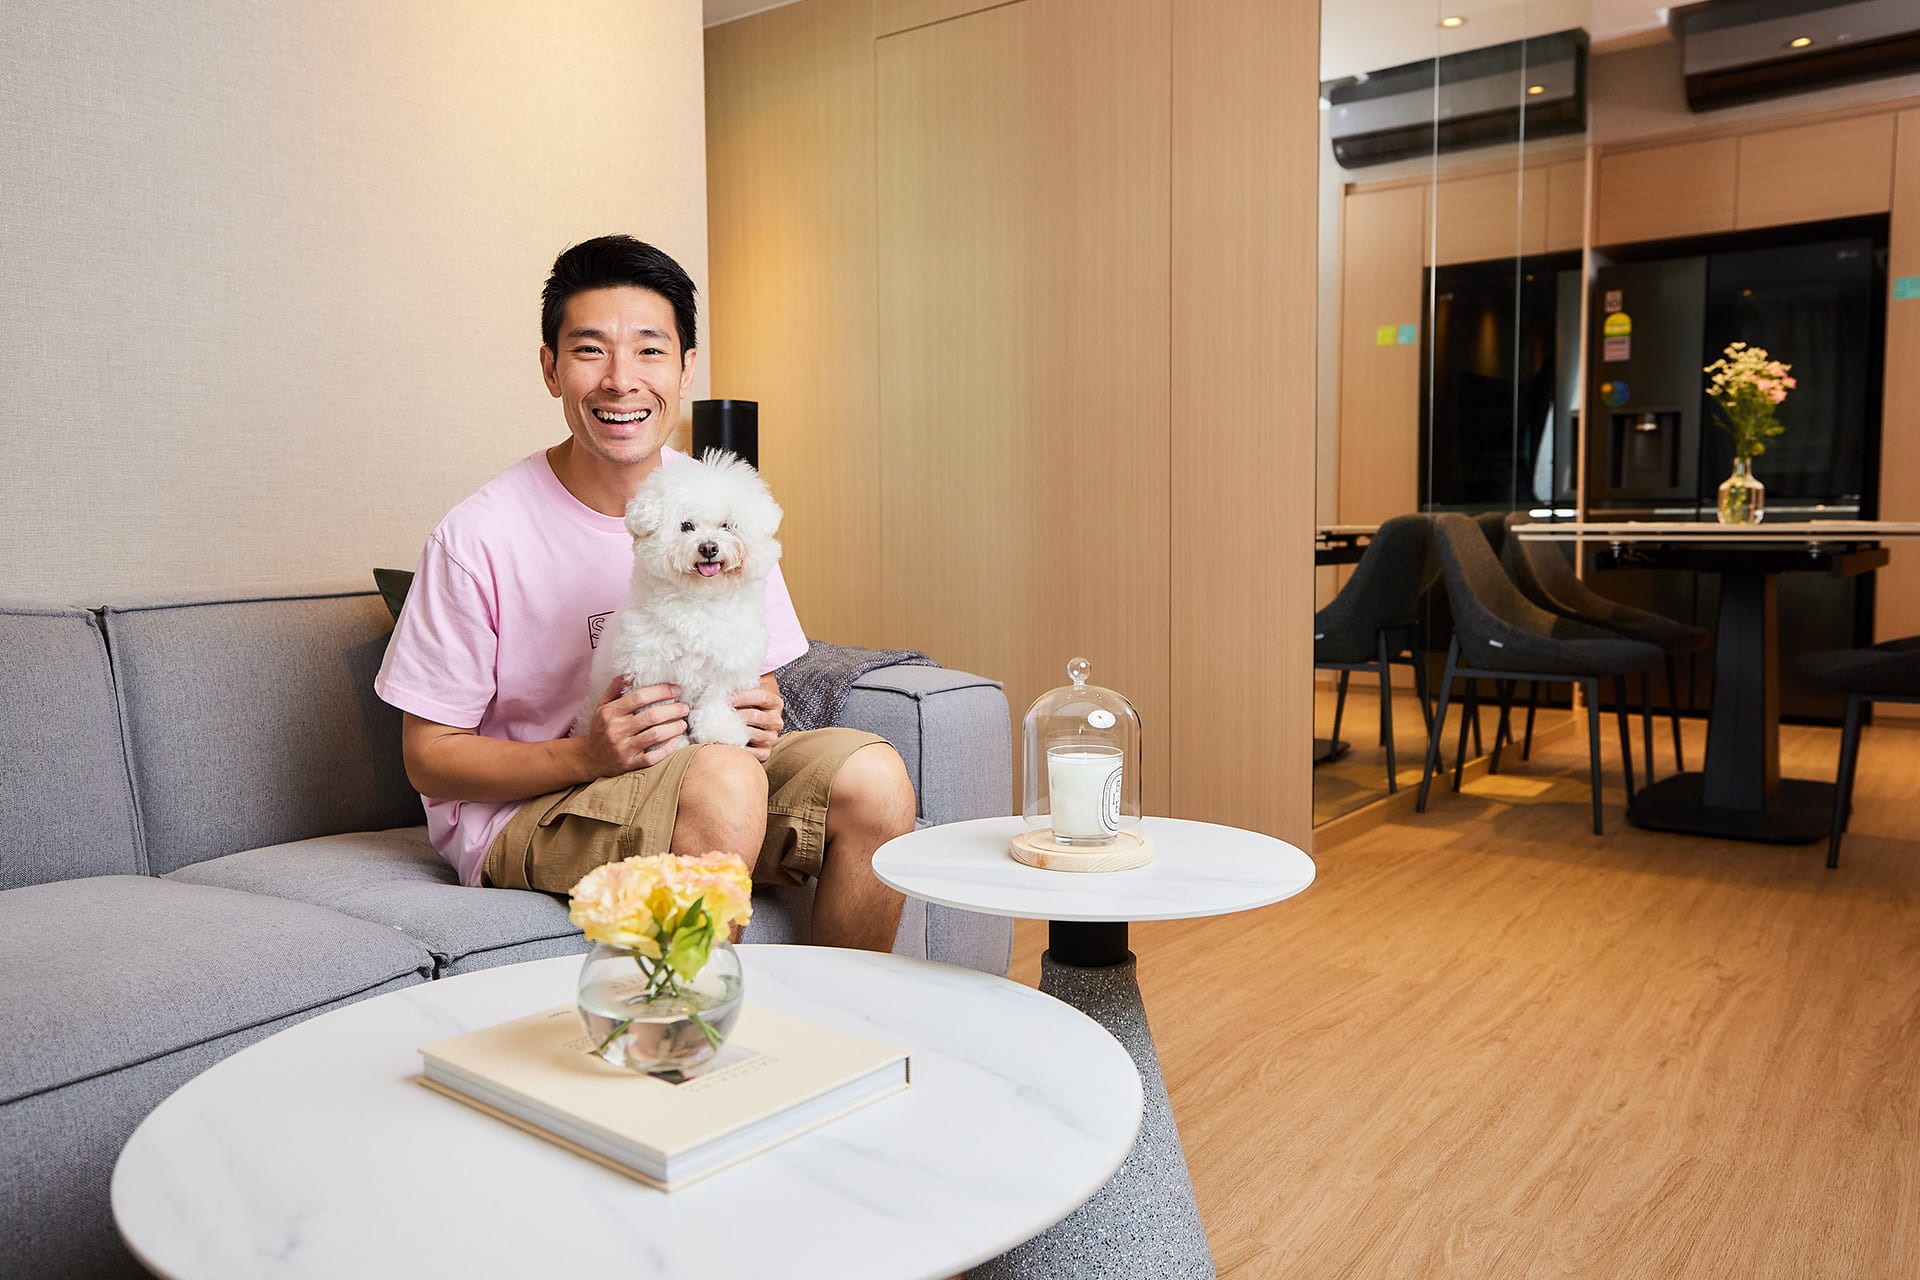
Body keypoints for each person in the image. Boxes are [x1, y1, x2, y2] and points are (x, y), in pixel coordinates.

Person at [374, 235, 910, 950]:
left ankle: (840, 1014)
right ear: (551, 368)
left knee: (875, 777)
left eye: (650, 350)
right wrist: (587, 756)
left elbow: (755, 677)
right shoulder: (476, 537)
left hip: (694, 763)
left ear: (686, 368)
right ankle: (699, 1018)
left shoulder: (716, 504)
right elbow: (428, 755)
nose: (620, 380)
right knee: (724, 778)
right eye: (590, 350)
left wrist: (760, 709)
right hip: (534, 805)